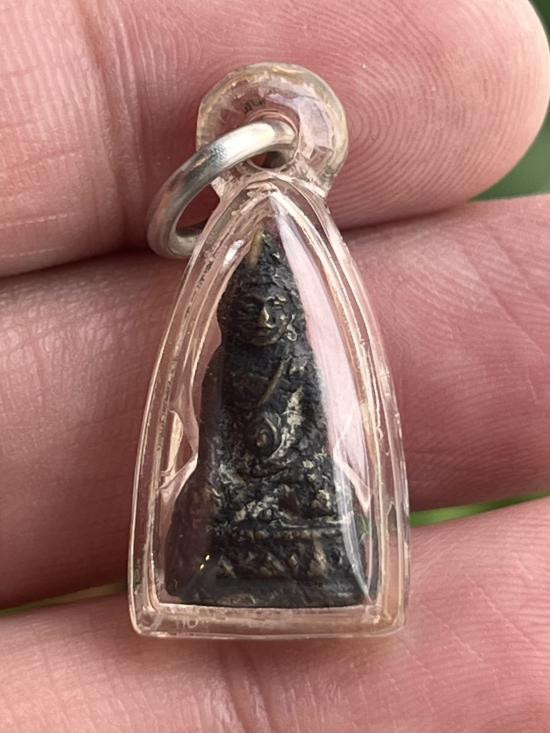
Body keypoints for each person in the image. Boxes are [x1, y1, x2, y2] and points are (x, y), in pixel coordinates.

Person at [0, 1, 549, 731]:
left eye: (273, 308)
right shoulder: (223, 368)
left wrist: (295, 478)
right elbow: (214, 447)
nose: (261, 318)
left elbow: (320, 442)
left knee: (324, 500)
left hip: (292, 501)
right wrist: (232, 485)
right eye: (250, 306)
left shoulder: (303, 365)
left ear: (291, 315)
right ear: (231, 313)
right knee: (208, 498)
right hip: (241, 503)